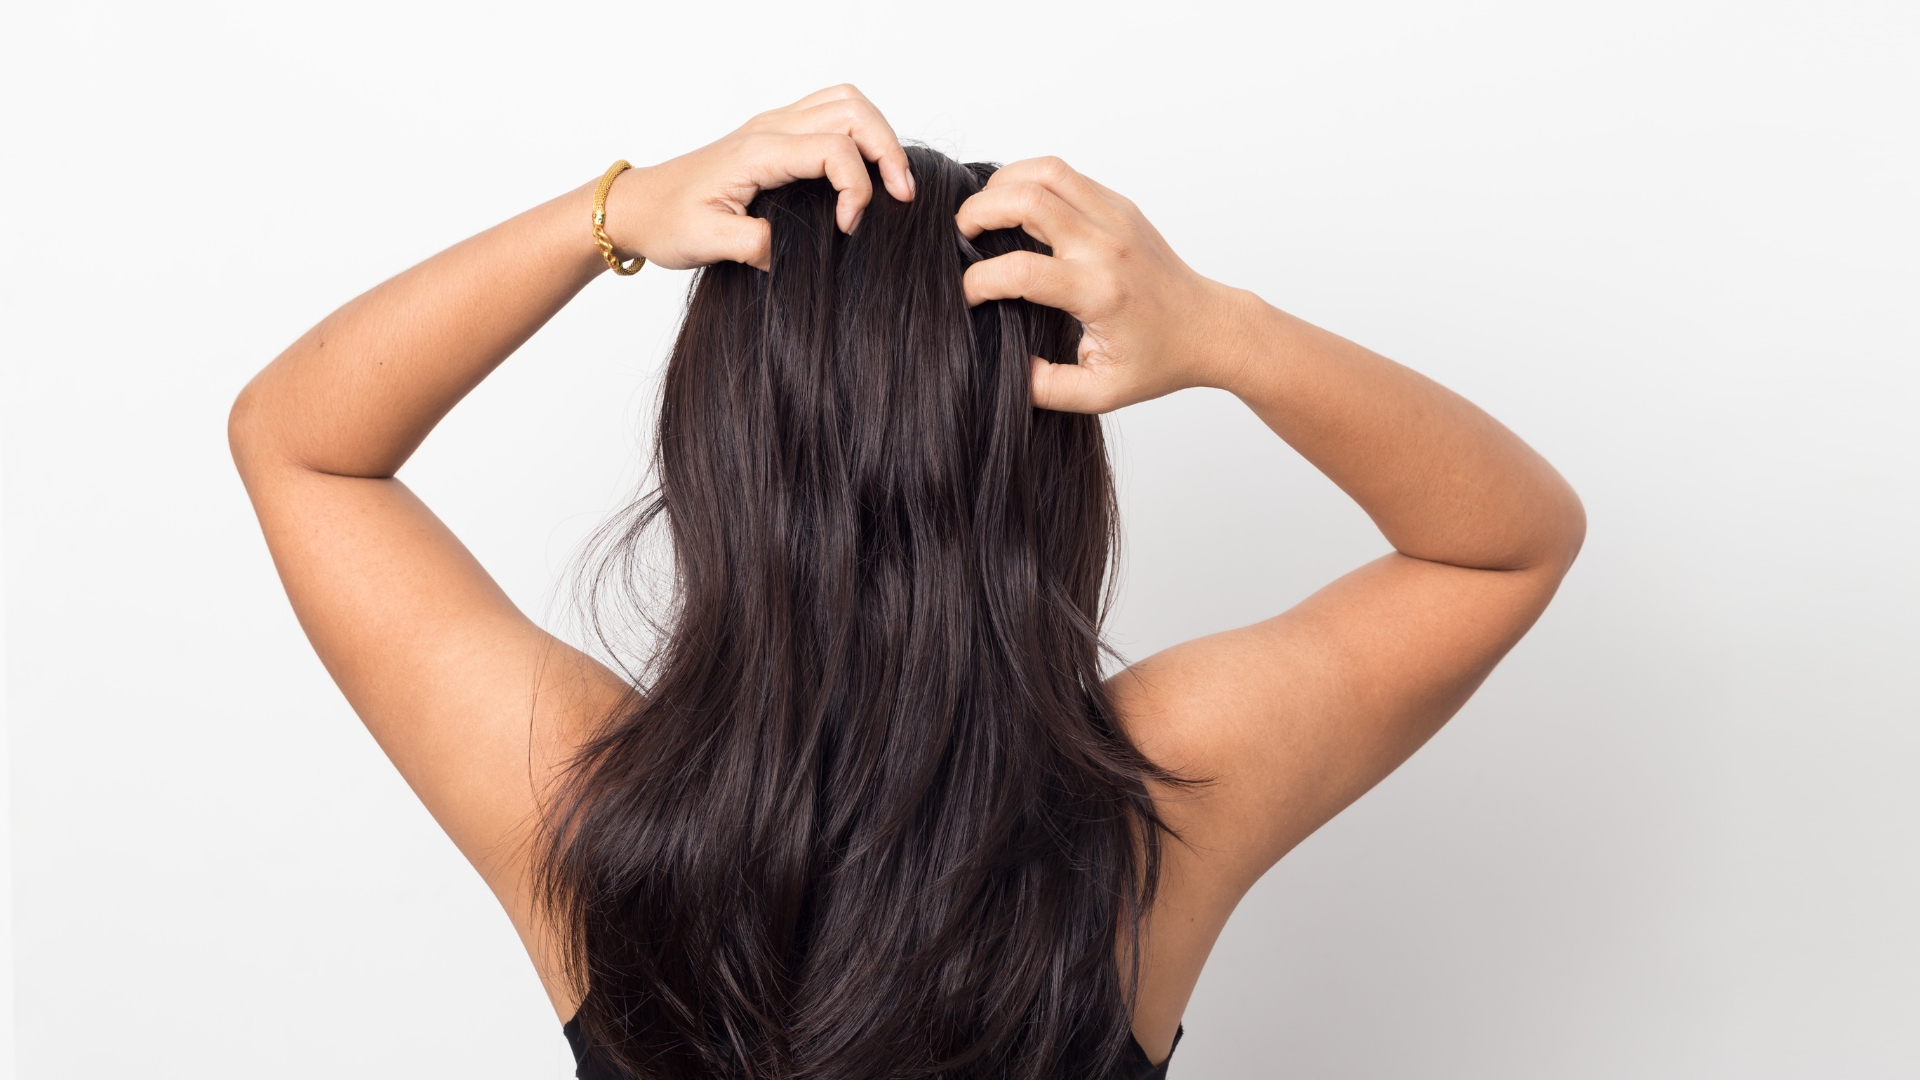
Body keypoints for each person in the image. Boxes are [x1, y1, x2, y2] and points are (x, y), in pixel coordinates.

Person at [229, 85, 1585, 1079]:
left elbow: (301, 448)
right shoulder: (1148, 813)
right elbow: (1507, 539)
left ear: (720, 444)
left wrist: (613, 216)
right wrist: (1217, 329)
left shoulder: (580, 802)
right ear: (1044, 458)